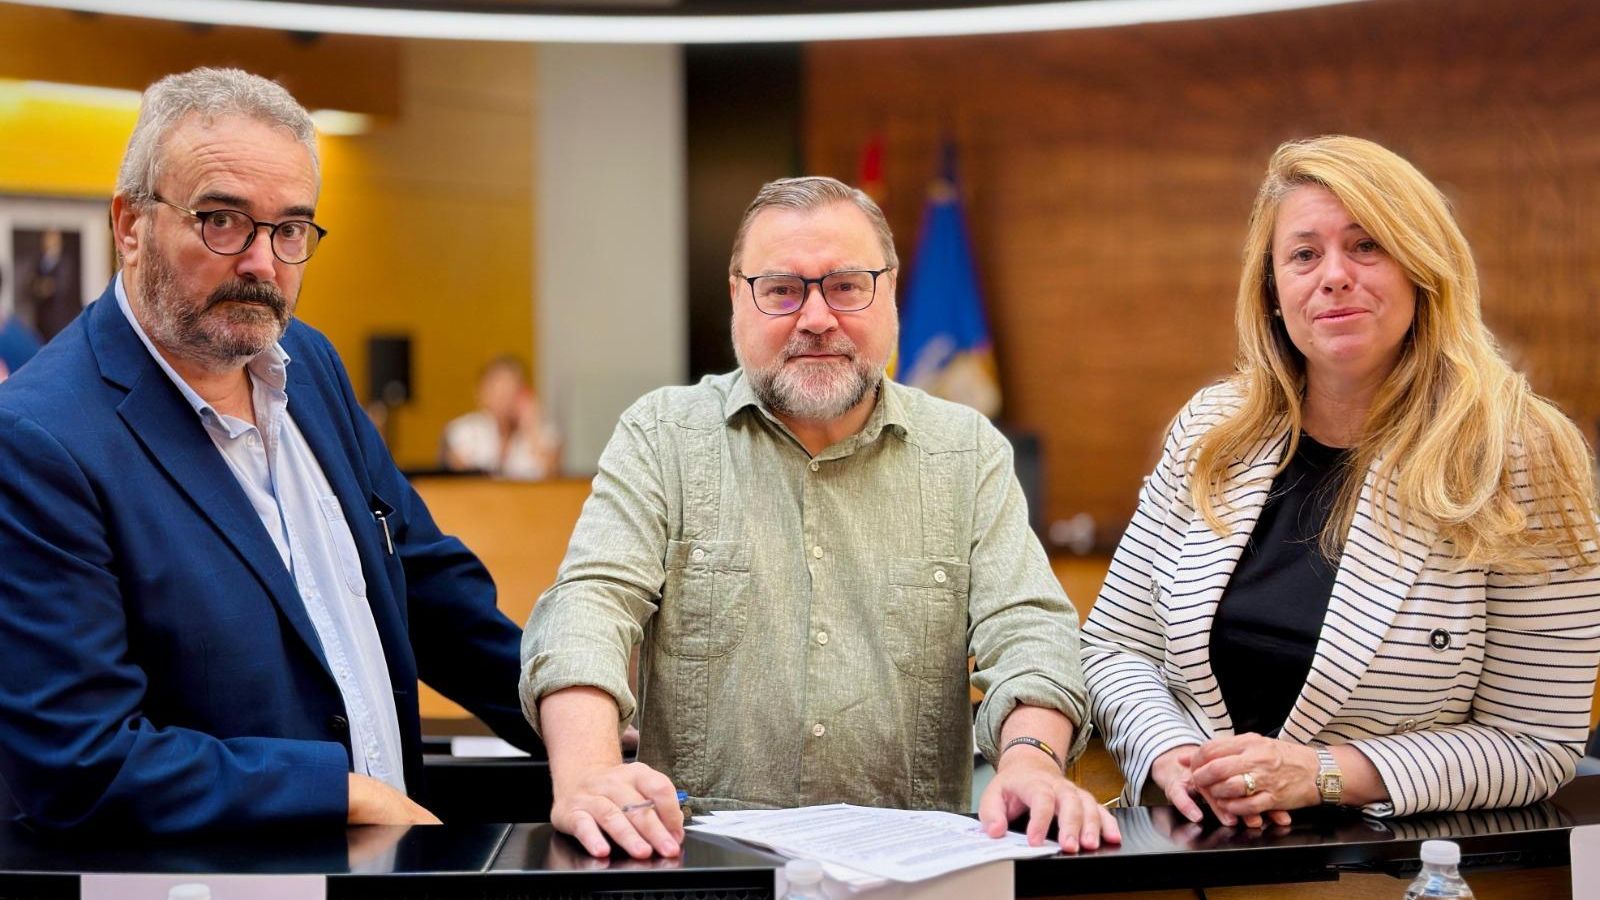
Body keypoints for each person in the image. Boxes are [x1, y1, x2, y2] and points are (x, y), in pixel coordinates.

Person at [0, 67, 540, 833]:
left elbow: (421, 582)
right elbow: (81, 759)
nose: (262, 263)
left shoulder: (308, 364)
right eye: (222, 221)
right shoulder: (37, 439)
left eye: (290, 230)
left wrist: (573, 711)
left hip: (385, 869)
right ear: (130, 224)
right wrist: (343, 794)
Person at [521, 175, 1116, 860]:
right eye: (781, 289)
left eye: (845, 286)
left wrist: (1031, 763)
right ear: (737, 298)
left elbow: (1032, 631)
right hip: (701, 867)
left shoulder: (966, 450)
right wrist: (591, 770)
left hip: (915, 877)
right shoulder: (662, 437)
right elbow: (587, 608)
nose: (815, 318)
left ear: (890, 292)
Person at [1082, 135, 1600, 827]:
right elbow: (1116, 646)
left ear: (1423, 268)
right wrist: (1172, 752)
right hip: (1190, 847)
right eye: (1303, 254)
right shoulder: (1212, 428)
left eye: (1366, 246)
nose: (1333, 276)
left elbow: (1534, 744)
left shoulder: (1521, 456)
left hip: (1383, 865)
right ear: (1271, 291)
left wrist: (1322, 774)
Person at [441, 354, 561, 479]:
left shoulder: (543, 433)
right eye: (498, 389)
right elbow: (460, 480)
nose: (504, 399)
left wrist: (531, 428)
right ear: (482, 392)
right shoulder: (463, 430)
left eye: (511, 389)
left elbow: (553, 478)